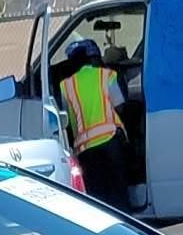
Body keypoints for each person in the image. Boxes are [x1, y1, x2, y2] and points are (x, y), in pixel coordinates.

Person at [51, 38, 131, 208]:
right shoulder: (106, 75)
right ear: (92, 59)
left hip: (86, 149)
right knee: (119, 192)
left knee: (98, 198)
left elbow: (70, 121)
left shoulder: (66, 85)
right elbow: (121, 107)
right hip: (110, 140)